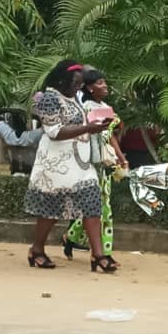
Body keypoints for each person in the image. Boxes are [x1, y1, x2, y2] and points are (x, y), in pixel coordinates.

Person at [23, 60, 115, 271]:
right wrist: (87, 128)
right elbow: (54, 132)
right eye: (75, 83)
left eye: (80, 84)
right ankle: (37, 250)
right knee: (51, 210)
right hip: (56, 164)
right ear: (61, 80)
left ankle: (99, 255)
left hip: (80, 163)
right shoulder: (49, 98)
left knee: (92, 202)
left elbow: (80, 123)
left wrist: (96, 125)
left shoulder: (74, 98)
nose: (79, 87)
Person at [61, 69, 128, 265]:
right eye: (99, 83)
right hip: (91, 164)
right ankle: (103, 253)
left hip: (105, 163)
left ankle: (71, 237)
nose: (105, 86)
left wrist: (120, 156)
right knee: (103, 209)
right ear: (90, 88)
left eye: (104, 82)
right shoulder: (87, 108)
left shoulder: (105, 107)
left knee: (96, 208)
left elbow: (110, 135)